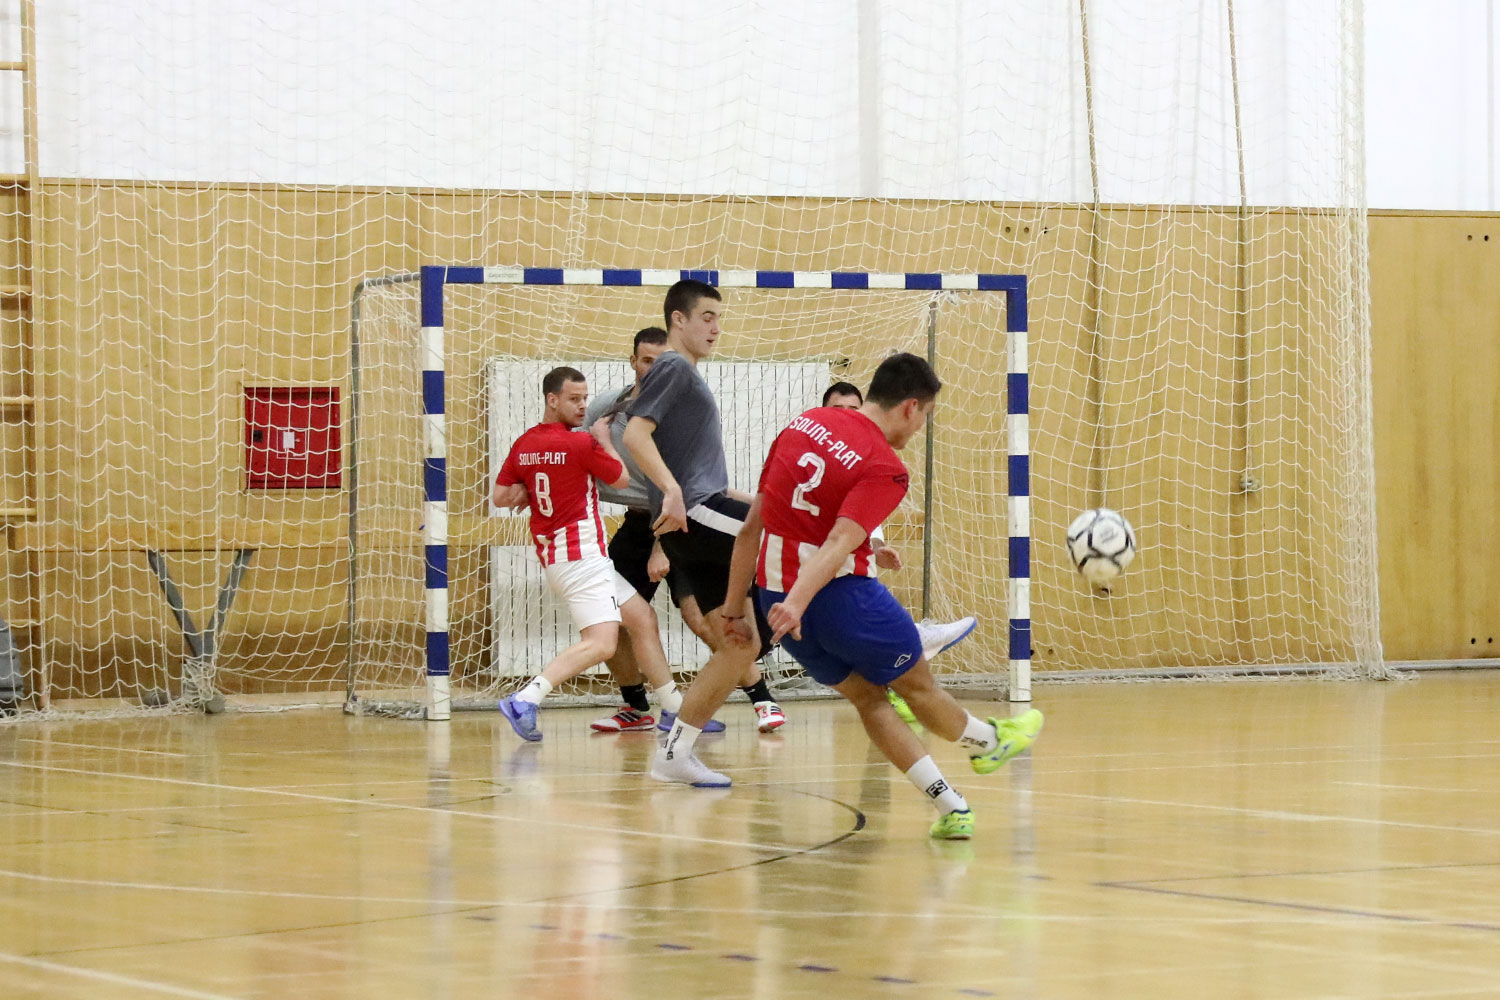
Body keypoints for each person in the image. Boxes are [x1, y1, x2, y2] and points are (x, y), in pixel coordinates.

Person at [721, 353, 1044, 838]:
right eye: (926, 415)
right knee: (919, 688)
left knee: (870, 701)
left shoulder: (804, 424)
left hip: (772, 600)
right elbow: (837, 544)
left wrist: (735, 609)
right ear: (911, 407)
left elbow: (752, 527)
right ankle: (987, 742)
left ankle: (953, 807)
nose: (920, 427)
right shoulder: (885, 467)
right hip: (840, 599)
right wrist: (801, 601)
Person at [623, 280, 782, 786]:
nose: (716, 327)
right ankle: (897, 638)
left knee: (738, 646)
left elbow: (702, 474)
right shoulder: (673, 366)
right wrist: (670, 490)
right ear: (679, 319)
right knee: (791, 546)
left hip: (696, 517)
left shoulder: (685, 376)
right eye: (707, 316)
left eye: (719, 318)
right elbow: (634, 434)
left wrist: (758, 501)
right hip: (696, 514)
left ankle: (674, 754)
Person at [491, 366, 679, 742]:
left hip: (564, 558)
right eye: (574, 399)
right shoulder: (581, 443)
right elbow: (621, 479)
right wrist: (603, 438)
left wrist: (529, 488)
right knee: (603, 642)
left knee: (642, 619)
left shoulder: (525, 443)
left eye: (585, 399)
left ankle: (675, 710)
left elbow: (500, 497)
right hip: (581, 560)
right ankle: (525, 699)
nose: (582, 406)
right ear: (552, 400)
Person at [581, 327, 730, 734]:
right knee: (613, 617)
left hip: (679, 523)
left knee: (701, 619)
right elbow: (577, 450)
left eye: (662, 361)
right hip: (637, 524)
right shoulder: (610, 406)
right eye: (646, 360)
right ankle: (635, 707)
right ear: (633, 361)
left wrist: (662, 545)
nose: (653, 368)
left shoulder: (682, 411)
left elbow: (685, 482)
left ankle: (762, 699)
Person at [821, 380, 977, 724]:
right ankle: (914, 639)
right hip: (797, 573)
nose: (846, 416)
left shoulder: (864, 463)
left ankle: (903, 667)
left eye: (853, 409)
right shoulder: (815, 456)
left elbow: (863, 521)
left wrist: (877, 548)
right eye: (837, 410)